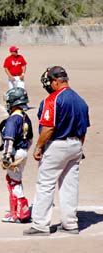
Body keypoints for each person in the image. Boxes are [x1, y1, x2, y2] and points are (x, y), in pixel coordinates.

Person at [23, 66, 90, 236]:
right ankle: (70, 224)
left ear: (55, 81)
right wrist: (78, 147)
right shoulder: (81, 100)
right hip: (76, 144)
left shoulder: (52, 100)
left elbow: (48, 128)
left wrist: (39, 146)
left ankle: (40, 225)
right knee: (70, 185)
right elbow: (83, 130)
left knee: (45, 184)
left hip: (56, 145)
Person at [0, 87, 33, 223]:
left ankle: (20, 214)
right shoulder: (26, 117)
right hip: (23, 151)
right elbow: (30, 138)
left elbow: (9, 138)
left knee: (13, 182)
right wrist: (24, 153)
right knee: (15, 180)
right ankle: (15, 211)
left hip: (15, 153)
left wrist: (7, 156)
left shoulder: (13, 119)